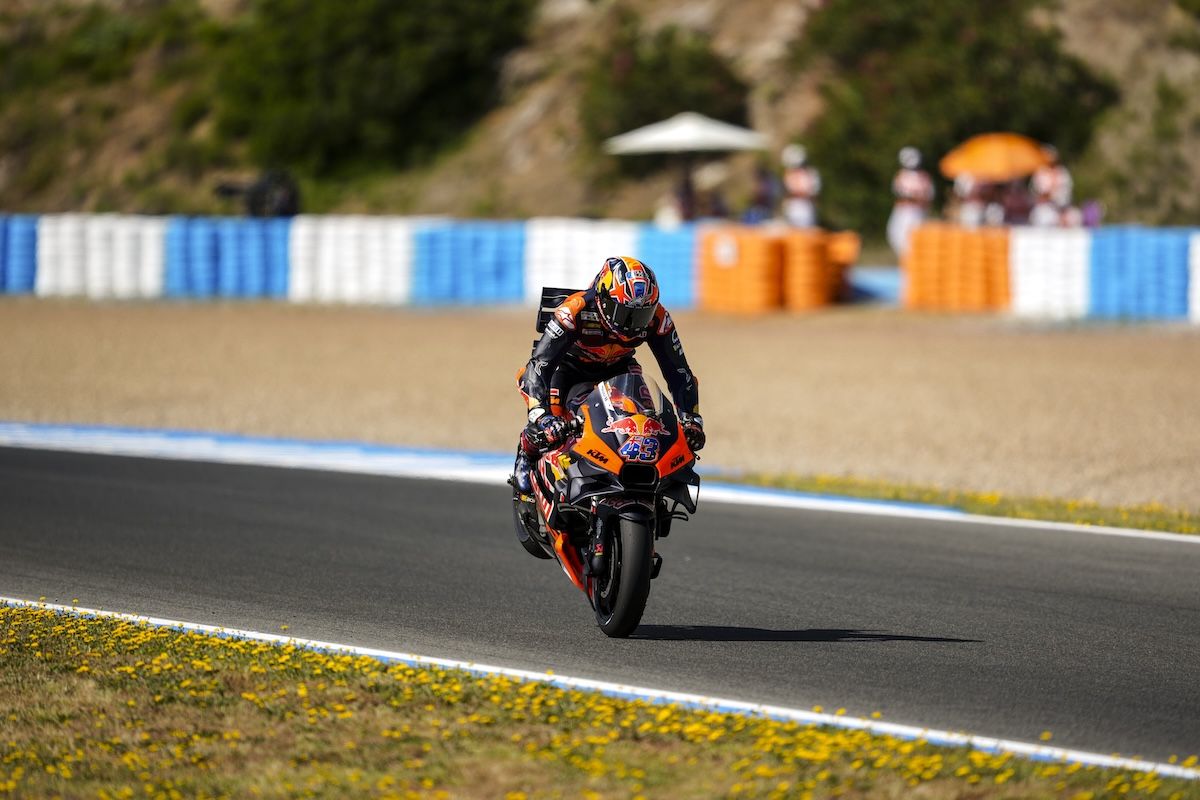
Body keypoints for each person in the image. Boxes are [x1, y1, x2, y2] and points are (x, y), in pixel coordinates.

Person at [511, 257, 705, 498]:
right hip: (567, 369)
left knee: (644, 420)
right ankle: (526, 453)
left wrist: (690, 419)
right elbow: (540, 364)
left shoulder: (658, 318)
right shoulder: (575, 310)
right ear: (603, 299)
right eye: (624, 313)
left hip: (619, 369)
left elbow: (678, 371)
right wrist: (541, 416)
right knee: (553, 431)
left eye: (641, 315)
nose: (632, 324)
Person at [887, 147, 933, 256]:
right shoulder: (901, 175)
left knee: (910, 238)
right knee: (896, 234)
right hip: (902, 211)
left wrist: (914, 198)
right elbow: (898, 192)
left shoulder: (923, 177)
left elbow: (927, 196)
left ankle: (910, 258)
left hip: (916, 212)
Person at [780, 144, 820, 228]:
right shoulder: (789, 175)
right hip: (792, 210)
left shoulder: (810, 174)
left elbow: (813, 194)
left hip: (805, 211)